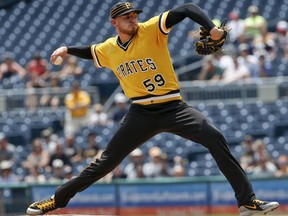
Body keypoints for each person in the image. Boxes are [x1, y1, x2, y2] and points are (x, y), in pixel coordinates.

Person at [26, 2, 279, 215]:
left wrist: (212, 29)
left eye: (135, 15)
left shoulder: (151, 29)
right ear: (114, 22)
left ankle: (246, 201)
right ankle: (57, 200)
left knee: (215, 137)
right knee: (105, 163)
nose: (133, 20)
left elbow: (187, 8)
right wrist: (67, 49)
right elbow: (90, 51)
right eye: (127, 17)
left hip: (173, 107)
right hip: (140, 114)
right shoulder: (108, 49)